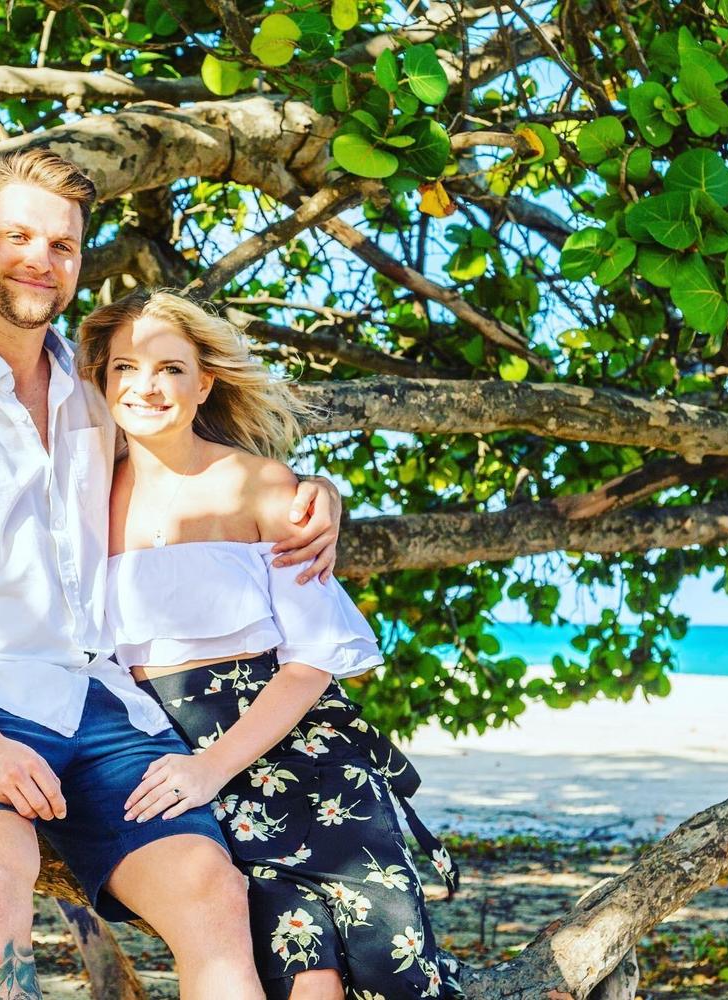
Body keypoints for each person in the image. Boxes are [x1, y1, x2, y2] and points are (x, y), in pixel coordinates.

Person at [0, 148, 342, 1000]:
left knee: (210, 889)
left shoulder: (95, 391)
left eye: (62, 245)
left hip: (90, 698)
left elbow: (198, 468)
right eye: (18, 236)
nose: (41, 259)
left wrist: (317, 494)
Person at [78, 290, 466, 1000]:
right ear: (101, 382)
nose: (145, 386)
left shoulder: (263, 486)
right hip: (168, 761)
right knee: (299, 973)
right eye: (125, 367)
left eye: (170, 368)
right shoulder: (80, 501)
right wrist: (196, 774)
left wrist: (213, 766)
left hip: (299, 752)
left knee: (390, 968)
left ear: (205, 383)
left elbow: (311, 660)